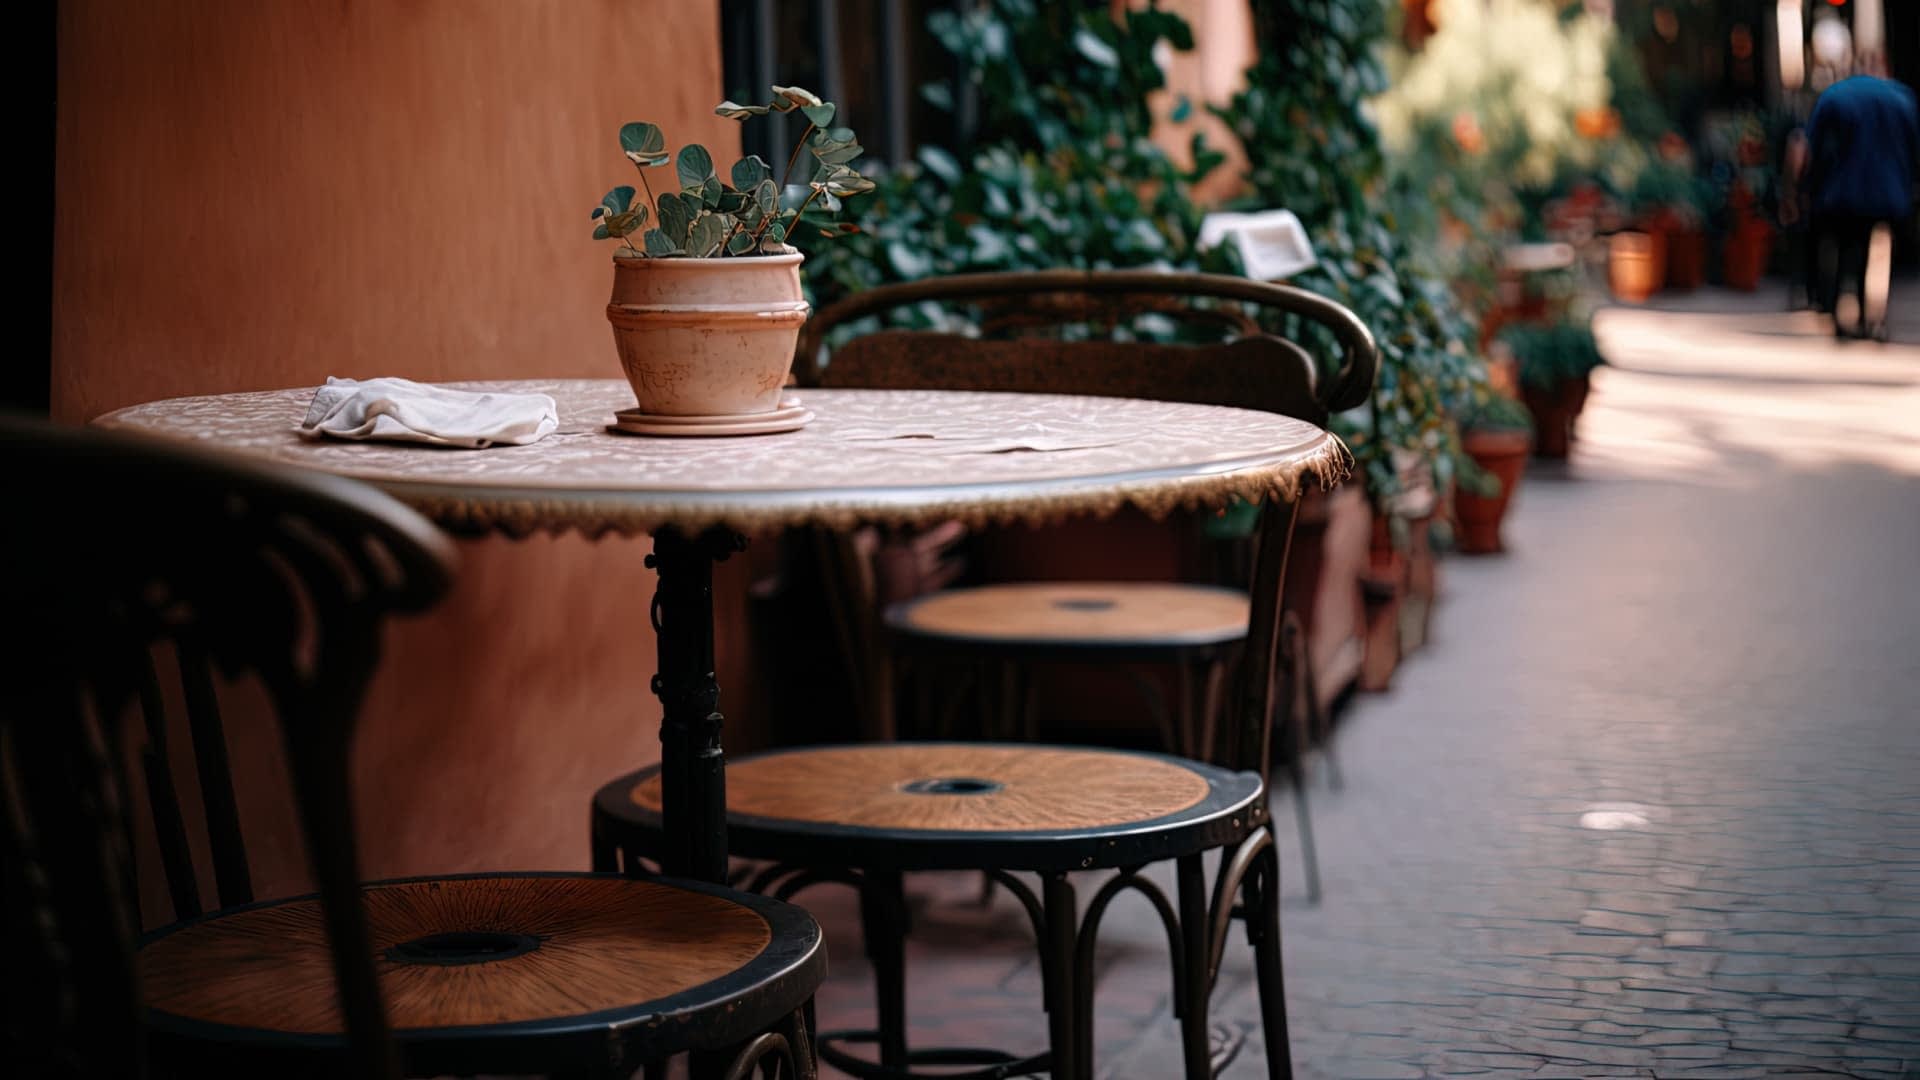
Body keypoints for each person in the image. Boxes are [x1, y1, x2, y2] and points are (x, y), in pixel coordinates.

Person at [1804, 50, 1919, 341]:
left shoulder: (1836, 96)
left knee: (1842, 251)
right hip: (1888, 191)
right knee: (1879, 252)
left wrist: (1808, 188)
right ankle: (1873, 318)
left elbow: (1813, 148)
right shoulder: (1902, 99)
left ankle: (1840, 314)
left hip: (1843, 191)